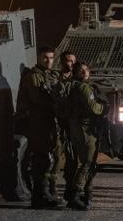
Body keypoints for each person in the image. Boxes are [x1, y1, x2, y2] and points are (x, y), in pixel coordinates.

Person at [15, 46, 63, 209]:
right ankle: (40, 196)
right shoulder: (33, 76)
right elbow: (39, 100)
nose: (48, 61)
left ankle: (45, 193)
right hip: (38, 122)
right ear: (38, 58)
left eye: (51, 58)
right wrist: (56, 98)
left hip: (48, 121)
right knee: (41, 159)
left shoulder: (50, 75)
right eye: (45, 58)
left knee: (48, 158)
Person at [66, 61, 104, 210]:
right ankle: (75, 195)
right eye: (81, 70)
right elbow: (94, 108)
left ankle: (87, 194)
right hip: (85, 128)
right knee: (89, 163)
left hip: (76, 126)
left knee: (85, 162)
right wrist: (104, 108)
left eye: (86, 69)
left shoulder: (72, 85)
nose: (84, 72)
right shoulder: (83, 87)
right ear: (75, 72)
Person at [57, 51, 78, 197]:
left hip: (72, 124)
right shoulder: (55, 79)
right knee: (54, 158)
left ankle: (70, 189)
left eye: (73, 61)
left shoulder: (77, 80)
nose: (70, 64)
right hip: (58, 123)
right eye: (68, 61)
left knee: (73, 158)